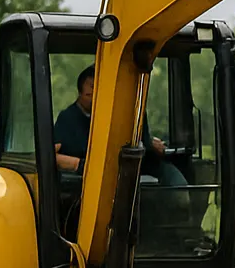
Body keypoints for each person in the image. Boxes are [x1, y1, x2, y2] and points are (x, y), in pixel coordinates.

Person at [53, 65, 182, 185]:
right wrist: (81, 165)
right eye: (90, 91)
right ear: (80, 92)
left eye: (99, 90)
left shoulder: (110, 116)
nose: (95, 97)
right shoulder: (67, 118)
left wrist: (147, 141)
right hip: (82, 183)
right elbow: (50, 155)